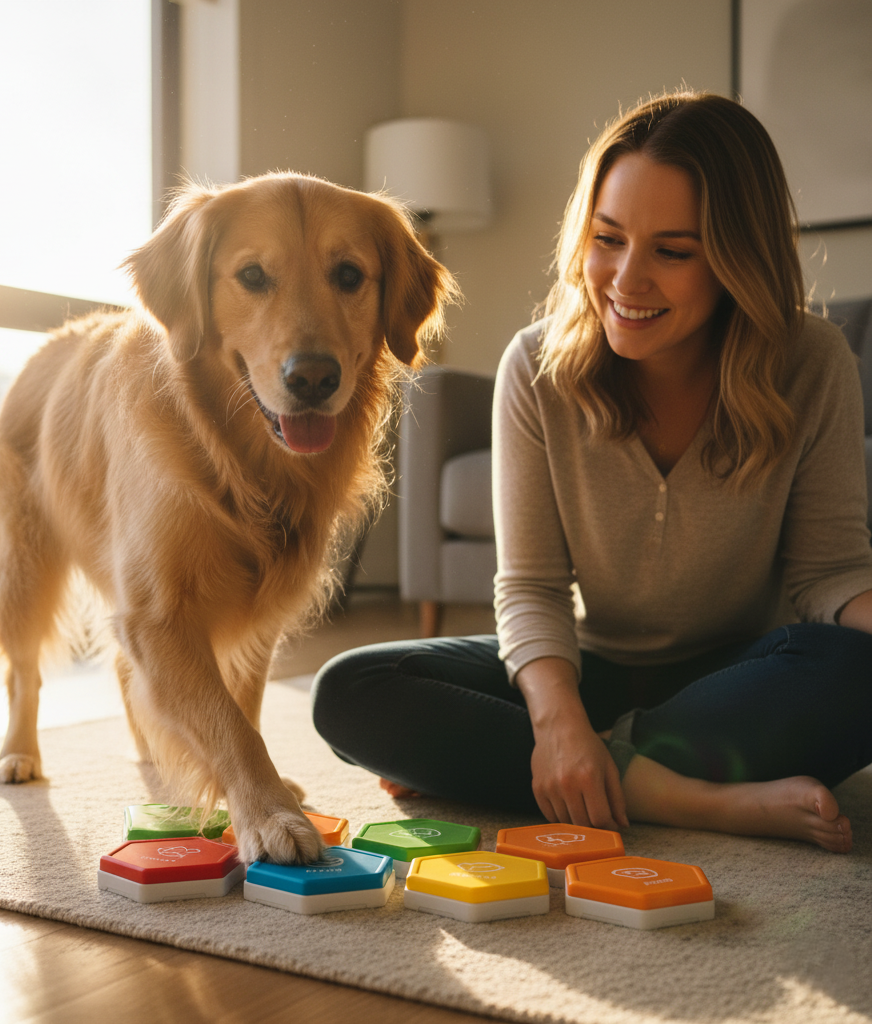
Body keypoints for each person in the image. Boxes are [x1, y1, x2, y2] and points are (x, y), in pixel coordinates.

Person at [311, 90, 872, 853]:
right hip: (592, 664)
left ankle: (555, 767)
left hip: (740, 676)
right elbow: (533, 588)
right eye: (608, 239)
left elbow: (830, 572)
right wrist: (557, 720)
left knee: (858, 672)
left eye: (673, 251)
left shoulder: (812, 363)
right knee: (350, 692)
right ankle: (676, 795)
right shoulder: (536, 366)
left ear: (739, 260)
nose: (625, 280)